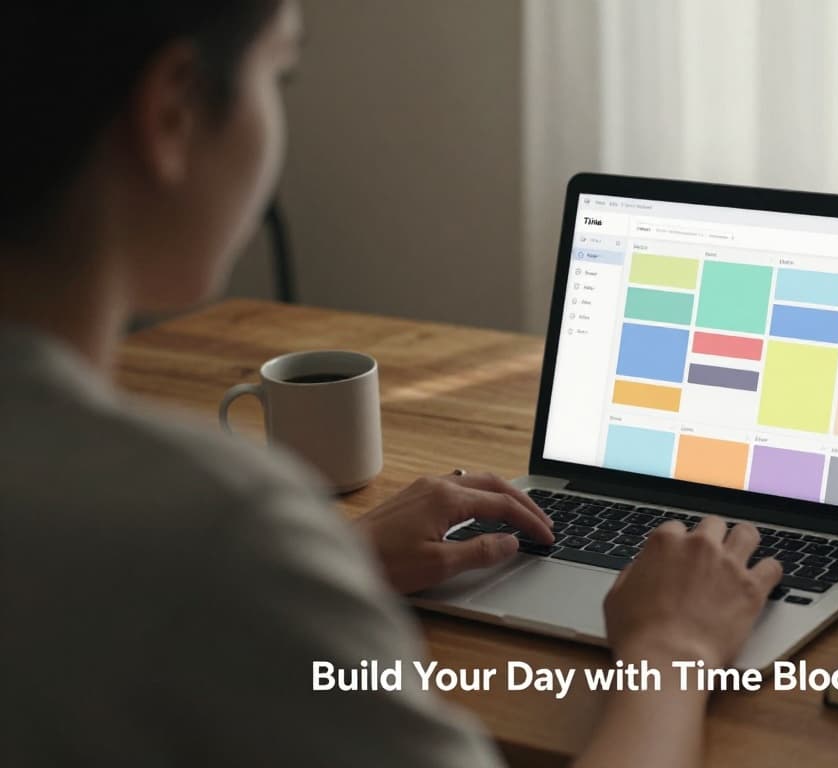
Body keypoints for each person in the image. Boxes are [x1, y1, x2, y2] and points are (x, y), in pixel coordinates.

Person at [0, 3, 781, 766]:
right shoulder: (217, 523)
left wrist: (327, 560)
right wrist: (672, 649)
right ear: (172, 110)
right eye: (280, 73)